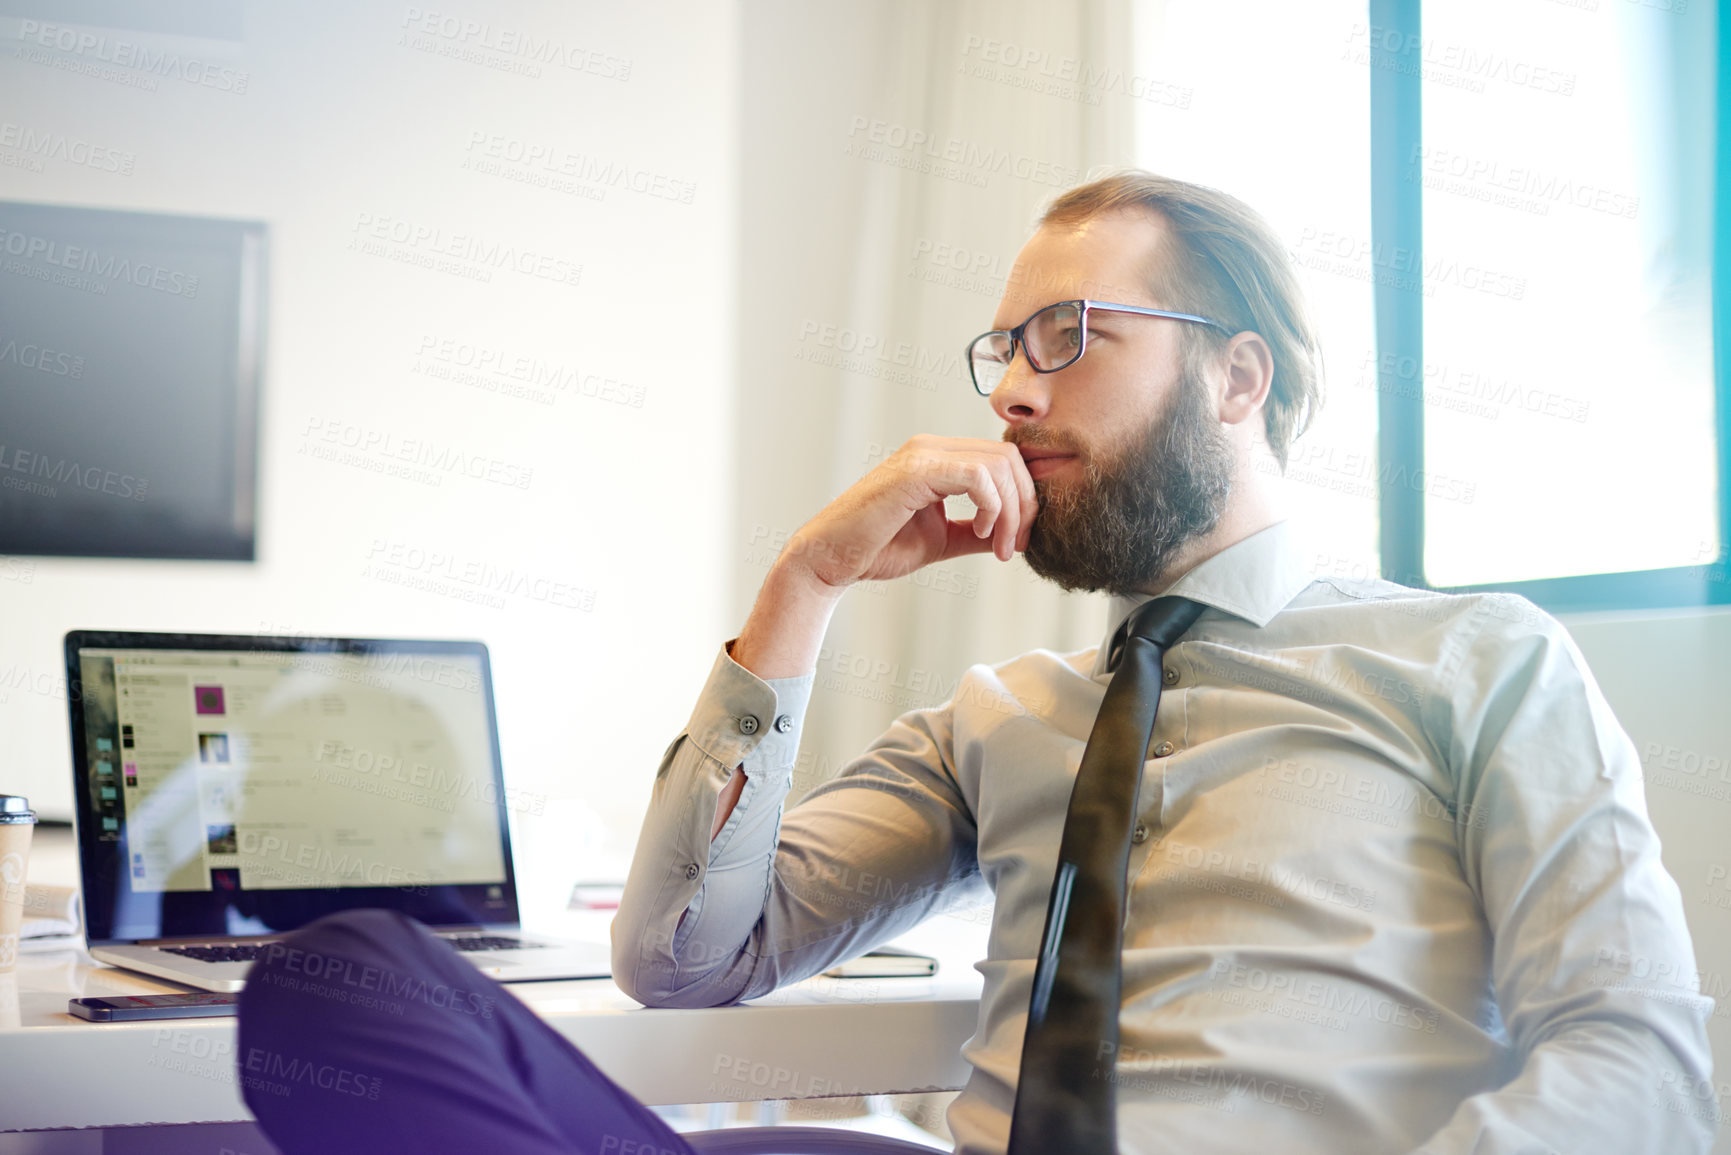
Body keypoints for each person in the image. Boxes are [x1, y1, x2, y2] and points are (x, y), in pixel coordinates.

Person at [238, 171, 1715, 1155]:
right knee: (346, 982)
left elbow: (1639, 1060)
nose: (1013, 390)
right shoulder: (1001, 722)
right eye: (1005, 348)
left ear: (1236, 374)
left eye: (1069, 337)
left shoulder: (1471, 661)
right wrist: (804, 587)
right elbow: (684, 961)